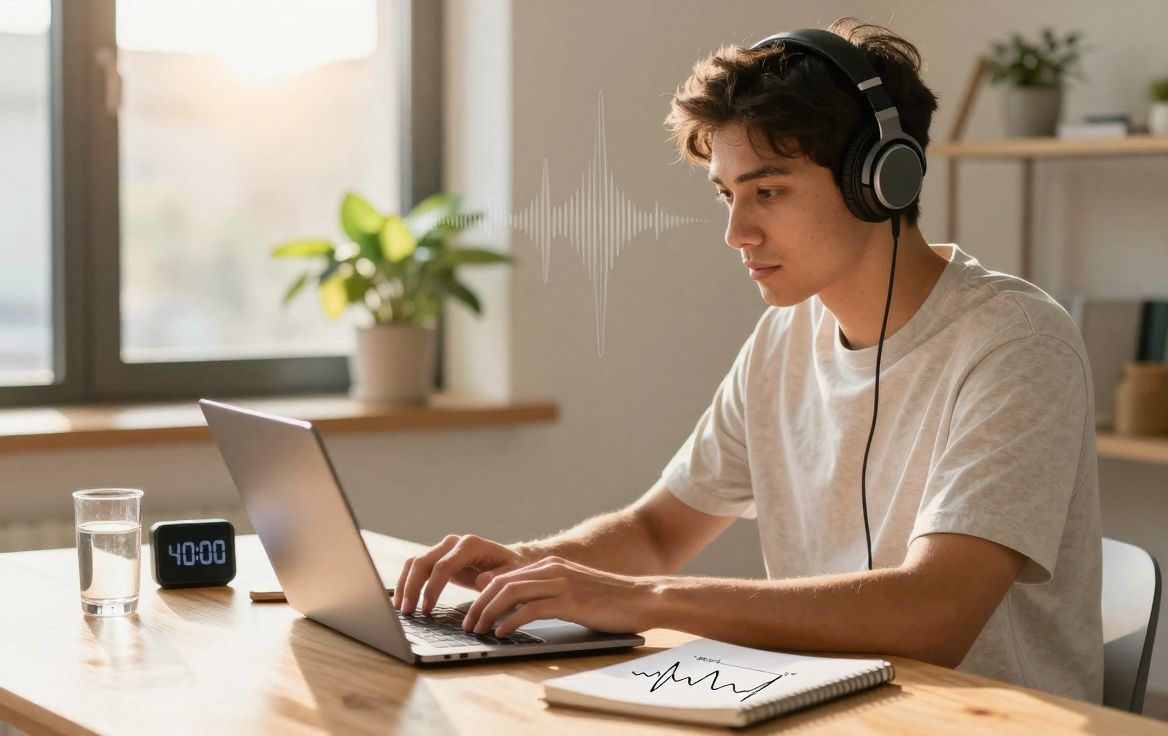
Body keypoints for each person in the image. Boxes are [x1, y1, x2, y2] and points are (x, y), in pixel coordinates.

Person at [391, 17, 1102, 702]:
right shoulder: (784, 337)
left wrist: (641, 599)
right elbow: (658, 530)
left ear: (882, 181)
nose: (736, 231)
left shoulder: (1016, 342)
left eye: (768, 191)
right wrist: (529, 566)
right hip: (822, 708)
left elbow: (933, 615)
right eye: (727, 195)